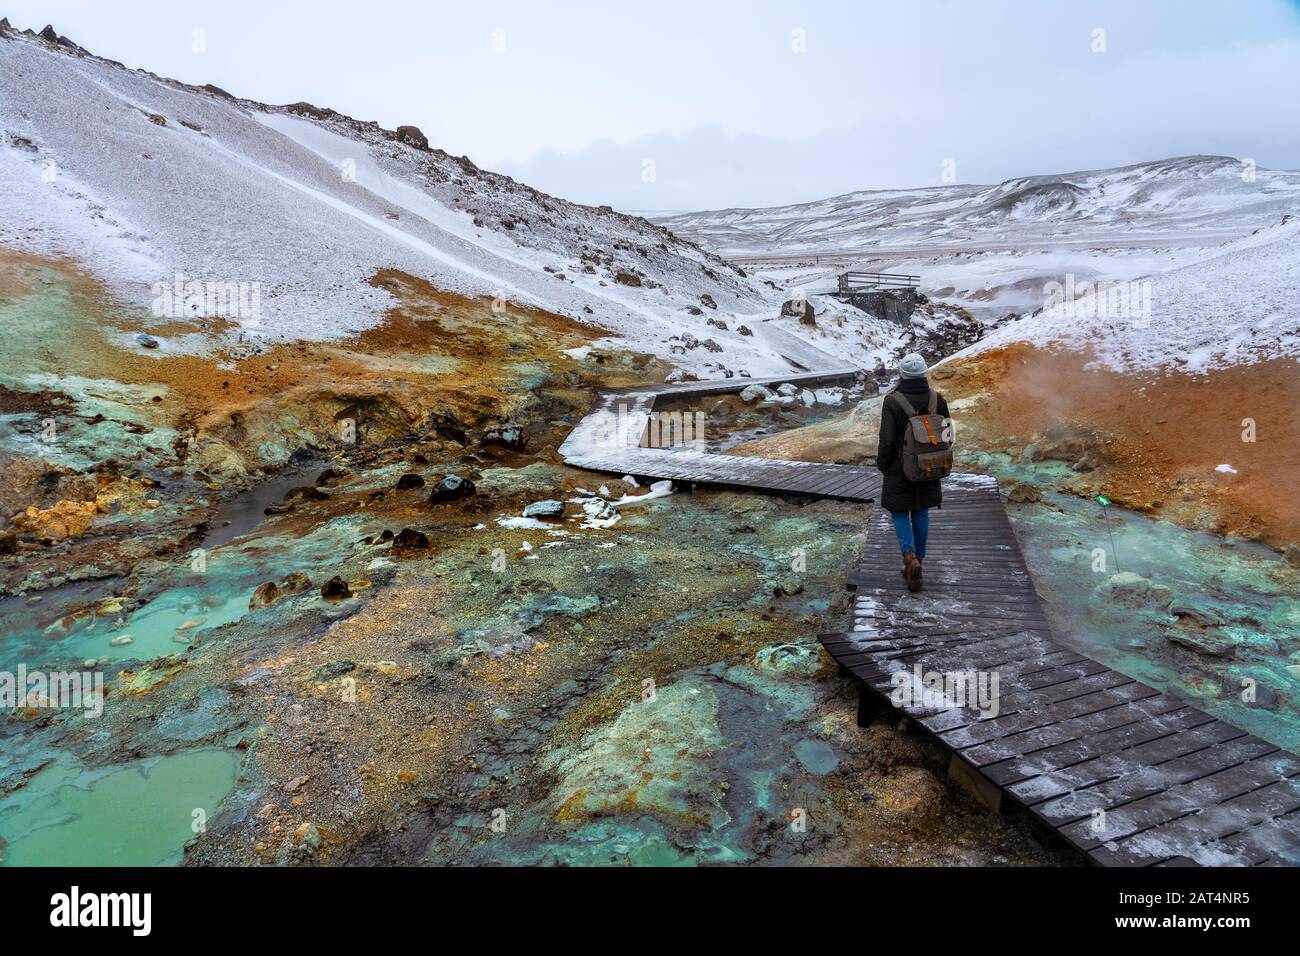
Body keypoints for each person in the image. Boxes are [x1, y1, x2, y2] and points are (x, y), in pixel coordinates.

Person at [876, 352, 949, 592]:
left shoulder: (893, 400)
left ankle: (909, 559)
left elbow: (886, 440)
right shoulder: (937, 399)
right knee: (921, 513)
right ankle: (920, 559)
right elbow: (948, 437)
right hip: (929, 465)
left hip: (899, 468)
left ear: (902, 375)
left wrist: (883, 464)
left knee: (899, 513)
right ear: (924, 373)